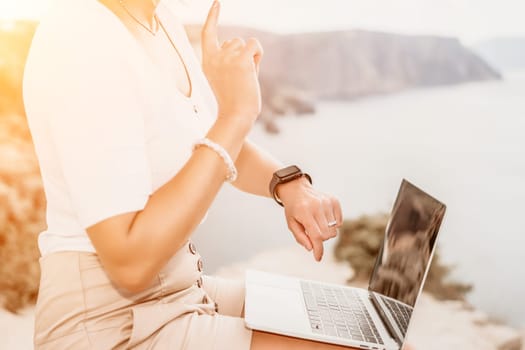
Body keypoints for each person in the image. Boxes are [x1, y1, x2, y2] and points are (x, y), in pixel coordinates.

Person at [22, 0, 359, 348]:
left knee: (356, 321)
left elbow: (211, 145)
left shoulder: (161, 21)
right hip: (108, 325)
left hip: (179, 289)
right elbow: (130, 263)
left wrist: (290, 185)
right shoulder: (81, 39)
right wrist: (237, 114)